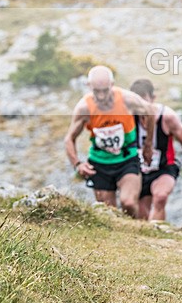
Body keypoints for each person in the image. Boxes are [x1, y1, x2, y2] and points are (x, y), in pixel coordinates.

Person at [64, 66, 156, 218]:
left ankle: (135, 235)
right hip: (100, 163)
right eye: (96, 91)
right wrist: (77, 164)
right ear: (89, 86)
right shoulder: (84, 108)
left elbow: (150, 111)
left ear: (112, 85)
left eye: (105, 90)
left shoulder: (127, 99)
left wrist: (148, 146)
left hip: (127, 158)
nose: (101, 96)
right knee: (109, 214)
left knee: (128, 203)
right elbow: (69, 139)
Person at [130, 78, 182, 221]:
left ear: (153, 98)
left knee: (160, 196)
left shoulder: (168, 117)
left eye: (144, 99)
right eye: (136, 101)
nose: (141, 105)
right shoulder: (129, 117)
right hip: (139, 169)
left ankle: (157, 231)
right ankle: (147, 239)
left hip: (164, 167)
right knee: (141, 211)